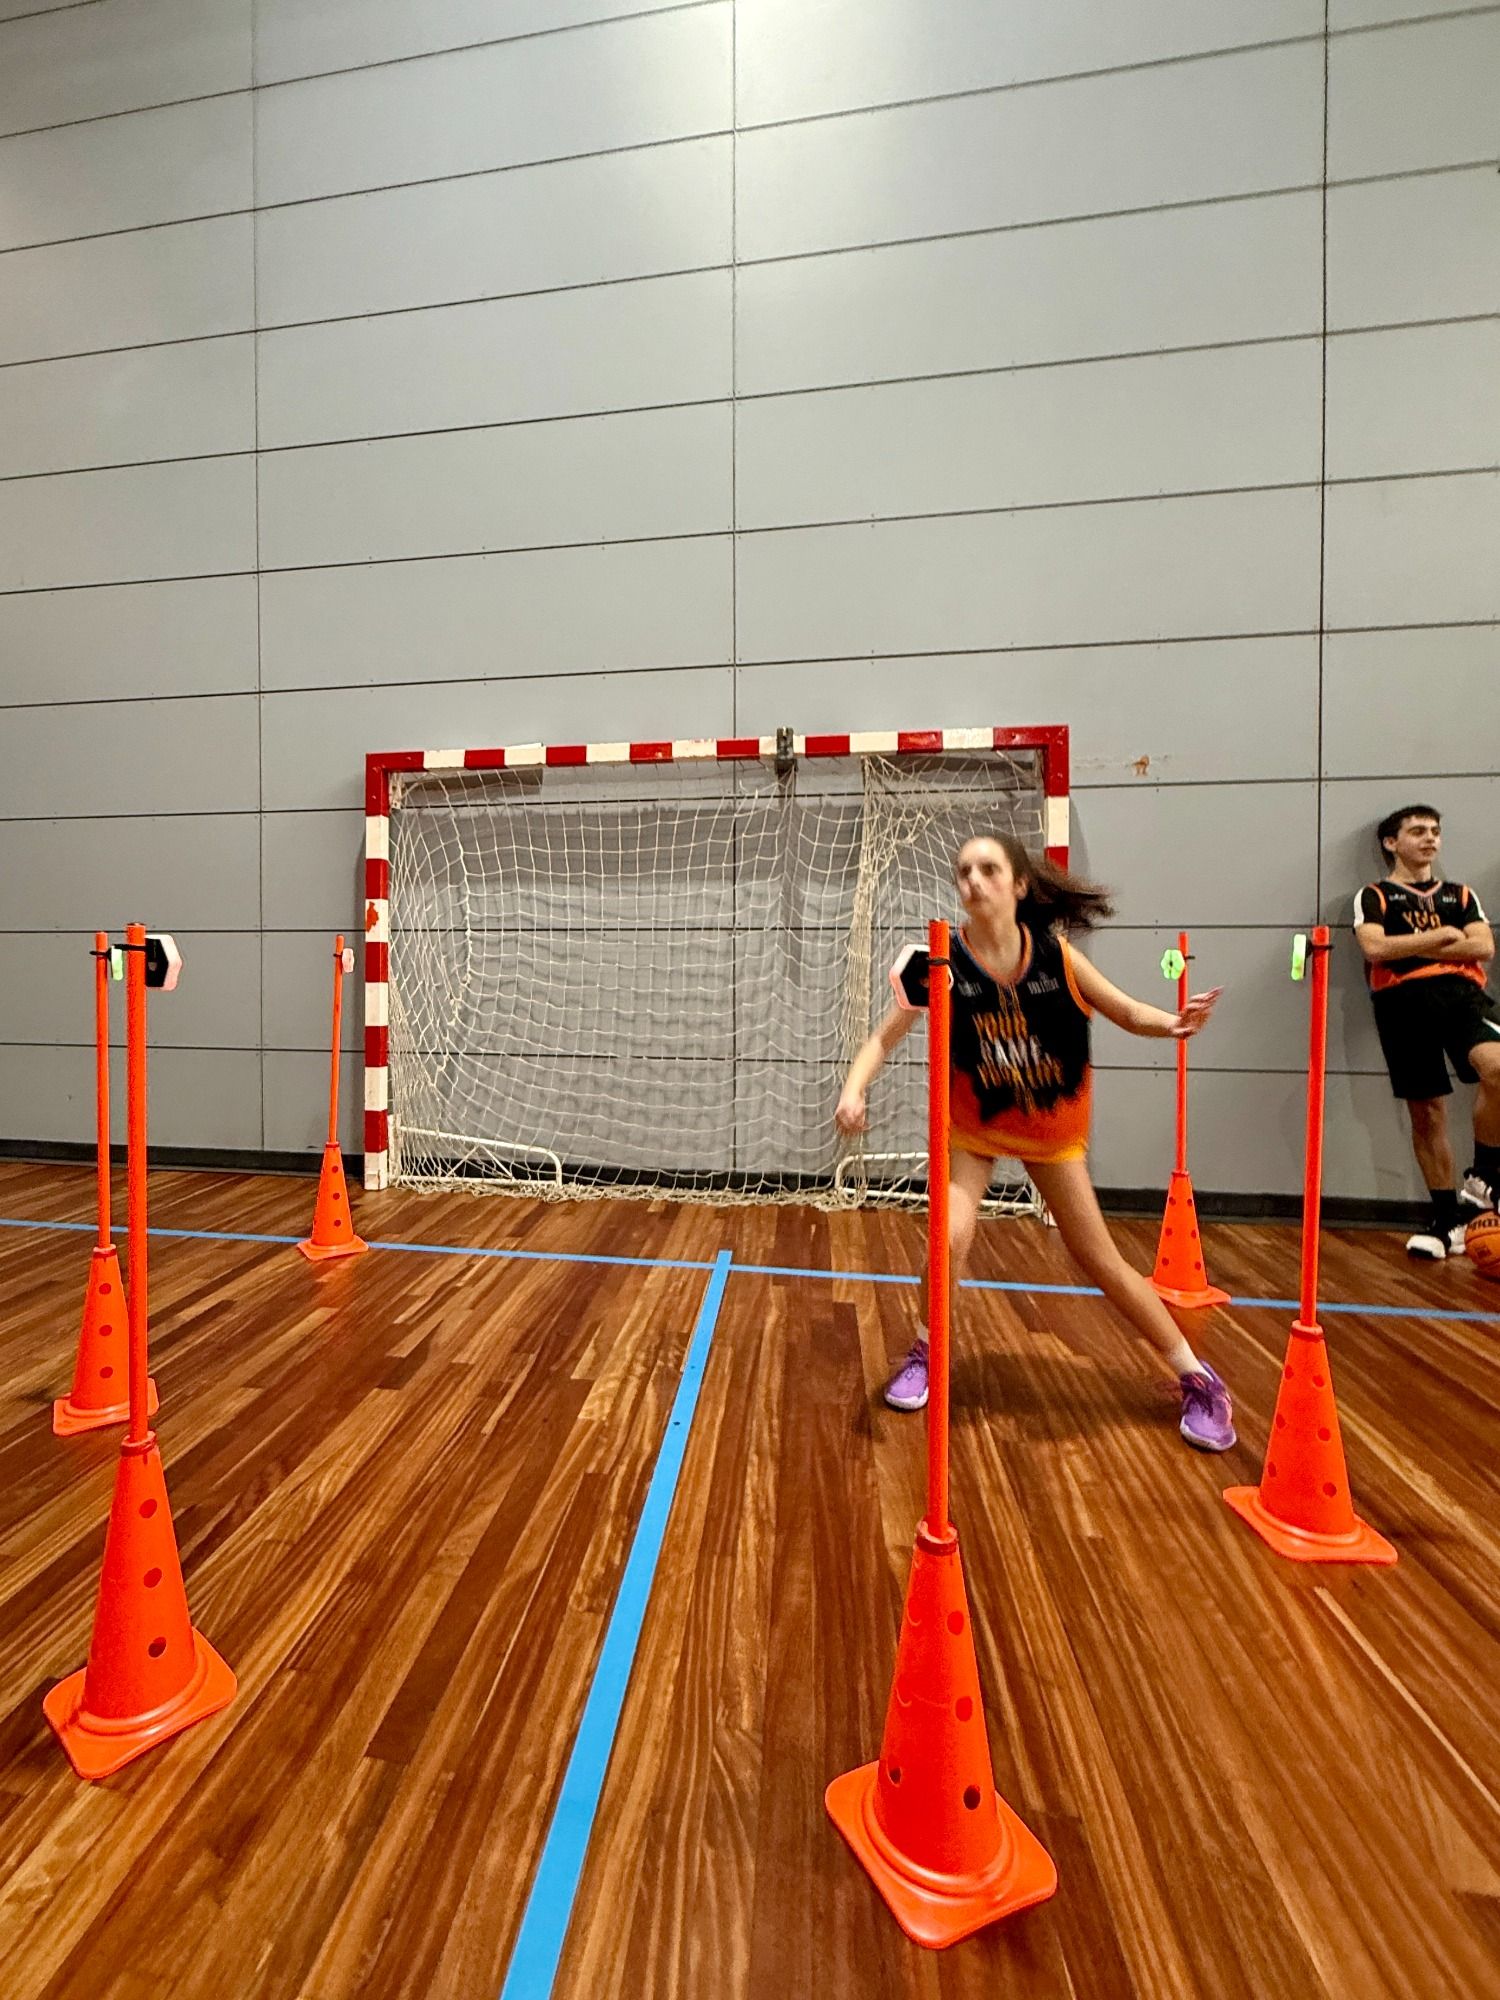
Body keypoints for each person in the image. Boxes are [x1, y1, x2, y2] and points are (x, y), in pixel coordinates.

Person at [834, 834, 1235, 1452]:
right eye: (964, 871)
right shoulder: (941, 961)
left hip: (1051, 1133)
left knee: (1099, 1259)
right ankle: (927, 1351)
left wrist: (1174, 1024)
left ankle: (1198, 1378)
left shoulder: (1056, 956)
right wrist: (853, 1089)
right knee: (949, 1236)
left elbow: (1128, 1011)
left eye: (988, 869)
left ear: (1020, 884)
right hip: (975, 1128)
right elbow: (882, 1039)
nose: (973, 880)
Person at [1353, 803, 1499, 1259]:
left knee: (1497, 1068)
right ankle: (1447, 1219)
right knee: (1427, 1112)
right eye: (1418, 831)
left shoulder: (1460, 895)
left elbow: (1483, 946)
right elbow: (1375, 948)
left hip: (1461, 996)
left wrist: (1412, 947)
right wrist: (1442, 938)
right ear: (1391, 842)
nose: (1430, 838)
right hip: (1402, 1003)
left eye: (1435, 831)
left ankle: (1484, 1178)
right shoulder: (1374, 896)